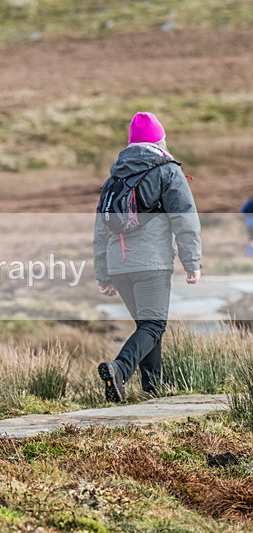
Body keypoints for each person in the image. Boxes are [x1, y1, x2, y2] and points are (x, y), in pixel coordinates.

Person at [93, 112, 202, 402]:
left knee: (147, 325)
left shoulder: (114, 176)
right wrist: (192, 263)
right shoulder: (167, 170)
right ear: (160, 140)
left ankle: (154, 389)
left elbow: (100, 230)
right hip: (152, 263)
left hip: (120, 266)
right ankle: (119, 369)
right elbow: (185, 218)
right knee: (153, 326)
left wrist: (104, 274)